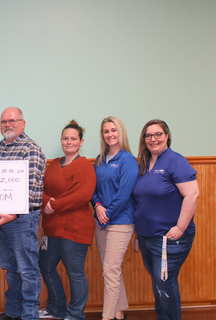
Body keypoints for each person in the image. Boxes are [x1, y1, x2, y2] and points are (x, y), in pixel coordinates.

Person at [132, 119, 199, 320]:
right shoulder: (144, 164)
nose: (153, 139)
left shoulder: (175, 161)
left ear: (167, 136)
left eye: (158, 134)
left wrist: (180, 227)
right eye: (148, 135)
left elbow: (192, 194)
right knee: (159, 283)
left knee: (164, 283)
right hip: (147, 237)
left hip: (169, 238)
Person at [0, 107, 46, 320]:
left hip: (22, 219)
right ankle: (13, 313)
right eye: (3, 122)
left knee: (28, 270)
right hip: (2, 221)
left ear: (23, 123)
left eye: (12, 120)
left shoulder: (30, 149)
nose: (7, 125)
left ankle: (29, 315)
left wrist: (11, 213)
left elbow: (29, 188)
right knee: (11, 269)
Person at [38, 120, 96, 320]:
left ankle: (75, 314)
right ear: (61, 141)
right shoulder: (53, 164)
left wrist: (53, 205)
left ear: (81, 142)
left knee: (75, 273)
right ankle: (56, 308)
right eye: (65, 138)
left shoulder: (85, 166)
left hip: (75, 227)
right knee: (45, 266)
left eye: (73, 138)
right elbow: (41, 189)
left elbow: (83, 195)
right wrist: (46, 201)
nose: (69, 142)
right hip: (52, 227)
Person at [91, 117, 139, 320]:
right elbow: (93, 188)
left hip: (121, 221)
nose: (110, 134)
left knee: (110, 270)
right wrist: (98, 206)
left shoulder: (127, 159)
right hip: (101, 220)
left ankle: (107, 316)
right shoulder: (100, 159)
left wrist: (107, 214)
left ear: (121, 132)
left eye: (113, 130)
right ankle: (119, 313)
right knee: (111, 269)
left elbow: (124, 194)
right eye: (106, 131)